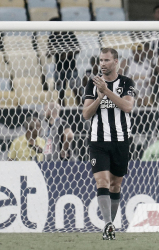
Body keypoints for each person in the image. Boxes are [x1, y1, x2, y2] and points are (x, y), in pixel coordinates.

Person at [83, 47, 135, 240]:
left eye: (106, 60)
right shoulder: (93, 83)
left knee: (115, 185)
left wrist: (107, 92)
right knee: (102, 182)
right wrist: (100, 96)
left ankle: (109, 227)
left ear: (115, 62)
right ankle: (108, 225)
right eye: (100, 60)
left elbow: (128, 107)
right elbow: (86, 114)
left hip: (121, 140)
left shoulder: (126, 82)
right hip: (98, 141)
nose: (102, 64)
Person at [47, 17, 82, 106]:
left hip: (71, 67)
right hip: (59, 68)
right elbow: (48, 53)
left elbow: (78, 49)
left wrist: (66, 54)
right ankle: (62, 111)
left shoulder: (69, 34)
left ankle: (81, 108)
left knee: (76, 90)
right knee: (60, 92)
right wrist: (51, 52)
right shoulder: (52, 36)